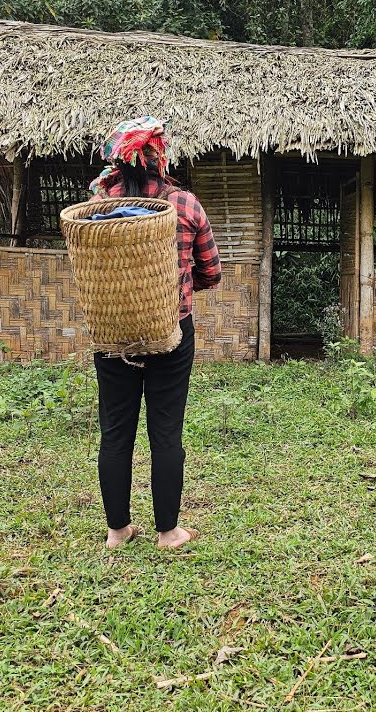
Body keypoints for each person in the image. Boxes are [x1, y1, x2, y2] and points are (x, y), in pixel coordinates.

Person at [88, 116, 222, 548]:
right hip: (170, 330)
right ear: (159, 158)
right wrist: (183, 285)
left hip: (112, 335)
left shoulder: (97, 207)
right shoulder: (183, 204)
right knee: (166, 431)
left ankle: (117, 530)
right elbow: (212, 272)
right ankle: (169, 531)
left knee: (115, 431)